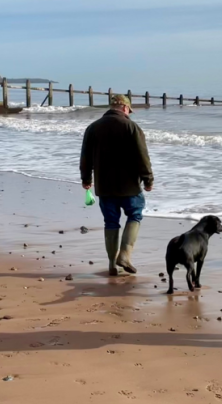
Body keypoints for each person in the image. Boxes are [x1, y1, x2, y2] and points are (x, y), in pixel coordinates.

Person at [80, 94, 153, 276]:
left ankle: (112, 264)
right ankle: (125, 255)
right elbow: (142, 156)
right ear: (125, 108)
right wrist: (148, 179)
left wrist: (86, 179)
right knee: (134, 216)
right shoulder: (131, 127)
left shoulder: (93, 128)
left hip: (105, 186)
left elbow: (85, 158)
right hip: (130, 186)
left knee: (111, 222)